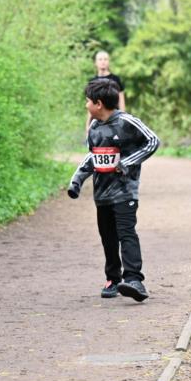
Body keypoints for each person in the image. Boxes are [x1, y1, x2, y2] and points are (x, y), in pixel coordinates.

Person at [68, 78, 160, 302]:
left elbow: (152, 141)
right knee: (108, 237)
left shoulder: (127, 122)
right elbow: (93, 156)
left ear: (98, 104)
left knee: (126, 233)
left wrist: (127, 163)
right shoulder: (94, 128)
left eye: (88, 101)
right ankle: (113, 279)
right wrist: (77, 181)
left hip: (125, 192)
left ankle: (134, 280)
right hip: (102, 194)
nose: (85, 105)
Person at [86, 50, 126, 133]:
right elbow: (90, 104)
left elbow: (121, 101)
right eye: (100, 59)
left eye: (105, 59)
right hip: (97, 119)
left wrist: (123, 118)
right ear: (95, 63)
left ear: (109, 62)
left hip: (114, 117)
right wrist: (87, 124)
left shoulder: (115, 79)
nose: (103, 62)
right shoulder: (92, 82)